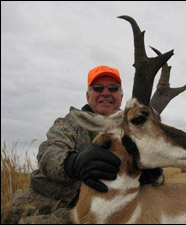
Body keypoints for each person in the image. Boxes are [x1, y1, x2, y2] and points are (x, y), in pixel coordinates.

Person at [1, 65, 164, 224]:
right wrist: (73, 163)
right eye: (98, 88)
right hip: (47, 197)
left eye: (113, 88)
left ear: (121, 97)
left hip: (104, 206)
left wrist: (154, 174)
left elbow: (158, 170)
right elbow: (48, 153)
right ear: (88, 96)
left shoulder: (137, 130)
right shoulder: (71, 122)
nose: (105, 93)